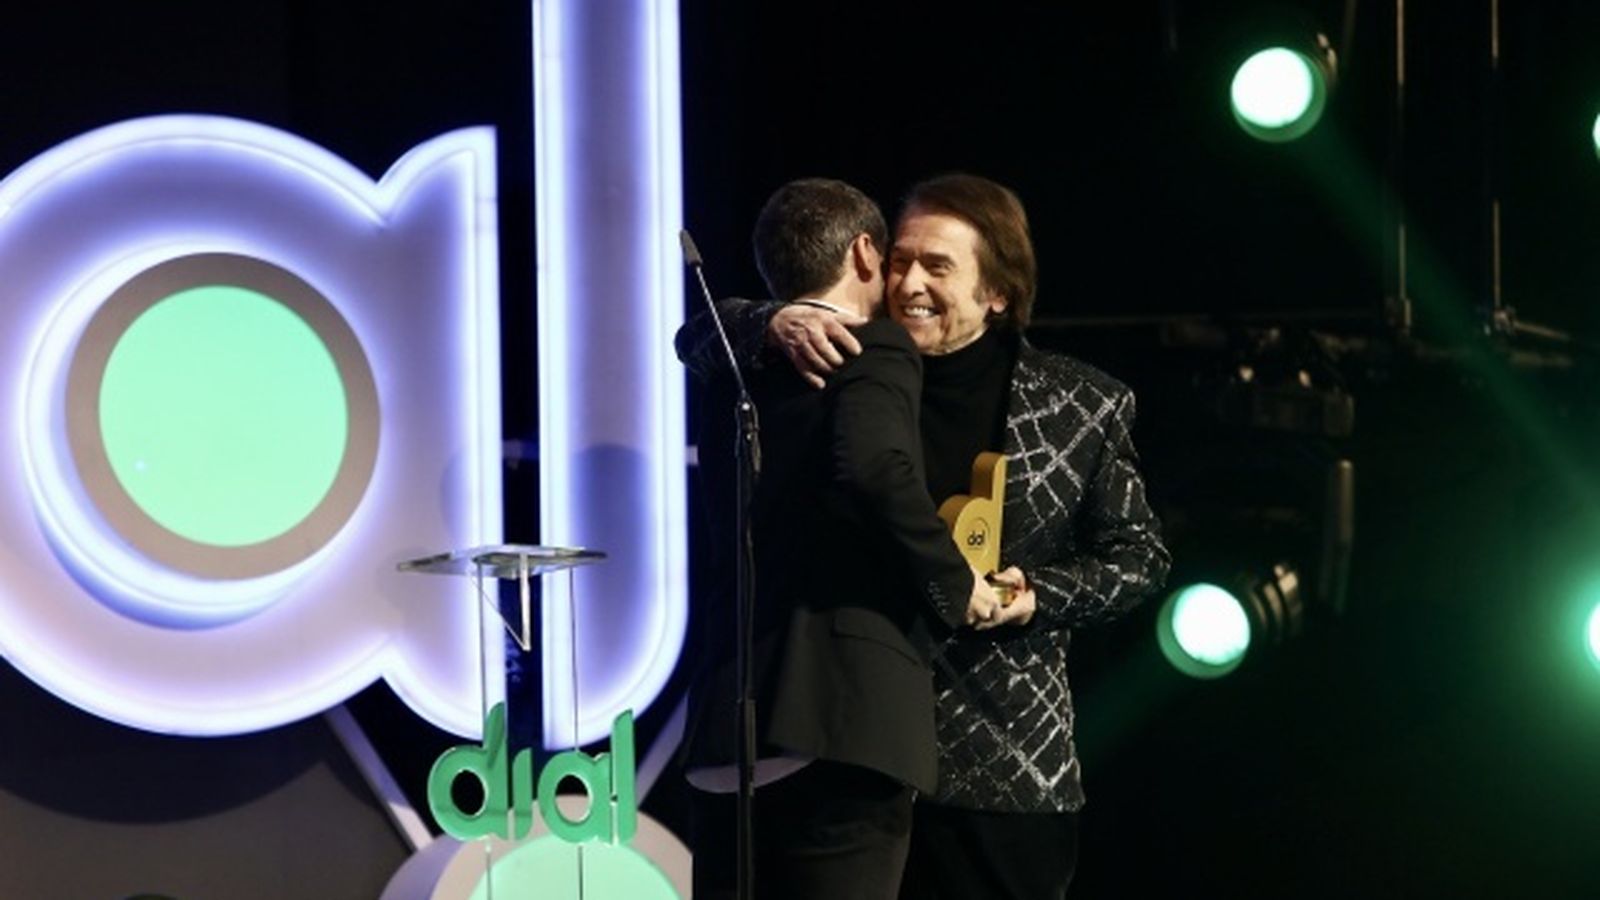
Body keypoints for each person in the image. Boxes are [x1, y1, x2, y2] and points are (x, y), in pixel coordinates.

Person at [679, 173, 1171, 899]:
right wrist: (769, 319)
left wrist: (1033, 595)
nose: (909, 282)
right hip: (845, 741)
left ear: (996, 292)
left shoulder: (1082, 403)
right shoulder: (836, 357)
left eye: (938, 266)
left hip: (997, 760)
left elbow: (1141, 559)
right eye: (901, 259)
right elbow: (700, 339)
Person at [677, 177, 1002, 900]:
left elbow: (691, 336)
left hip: (728, 733)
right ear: (863, 251)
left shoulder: (736, 362)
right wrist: (959, 586)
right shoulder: (874, 347)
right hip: (839, 724)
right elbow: (873, 468)